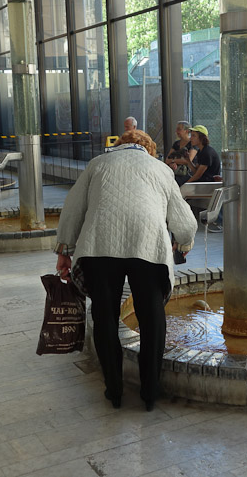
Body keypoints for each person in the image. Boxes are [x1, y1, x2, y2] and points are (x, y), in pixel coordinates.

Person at [54, 129, 197, 412]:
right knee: (152, 318)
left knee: (105, 317)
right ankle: (149, 393)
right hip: (148, 246)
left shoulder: (97, 164)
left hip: (99, 245)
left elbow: (72, 208)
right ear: (150, 150)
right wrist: (185, 241)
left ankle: (114, 389)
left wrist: (64, 250)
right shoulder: (160, 168)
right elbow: (184, 219)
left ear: (119, 145)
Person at [165, 121, 197, 186]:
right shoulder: (176, 144)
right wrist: (172, 163)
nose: (176, 131)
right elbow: (167, 159)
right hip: (176, 172)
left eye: (179, 129)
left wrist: (173, 161)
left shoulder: (192, 144)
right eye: (176, 129)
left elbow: (188, 160)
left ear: (187, 131)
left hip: (187, 173)